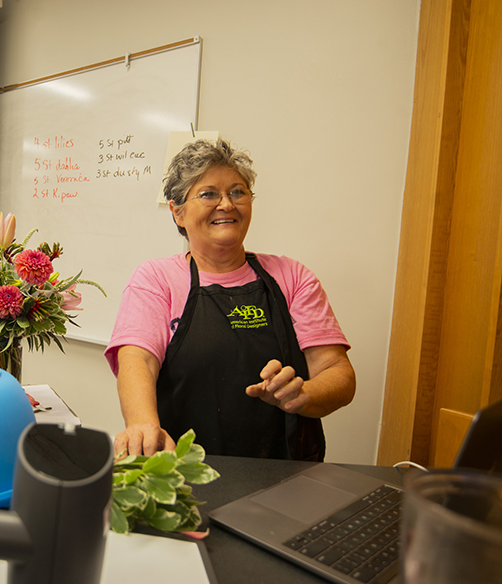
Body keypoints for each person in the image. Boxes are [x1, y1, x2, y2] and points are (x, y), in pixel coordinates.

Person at [105, 138, 355, 461]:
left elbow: (339, 374)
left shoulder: (292, 277)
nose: (227, 204)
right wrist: (142, 425)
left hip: (290, 479)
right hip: (186, 478)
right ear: (177, 212)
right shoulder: (156, 280)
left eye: (237, 192)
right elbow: (137, 361)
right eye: (209, 193)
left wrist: (304, 393)